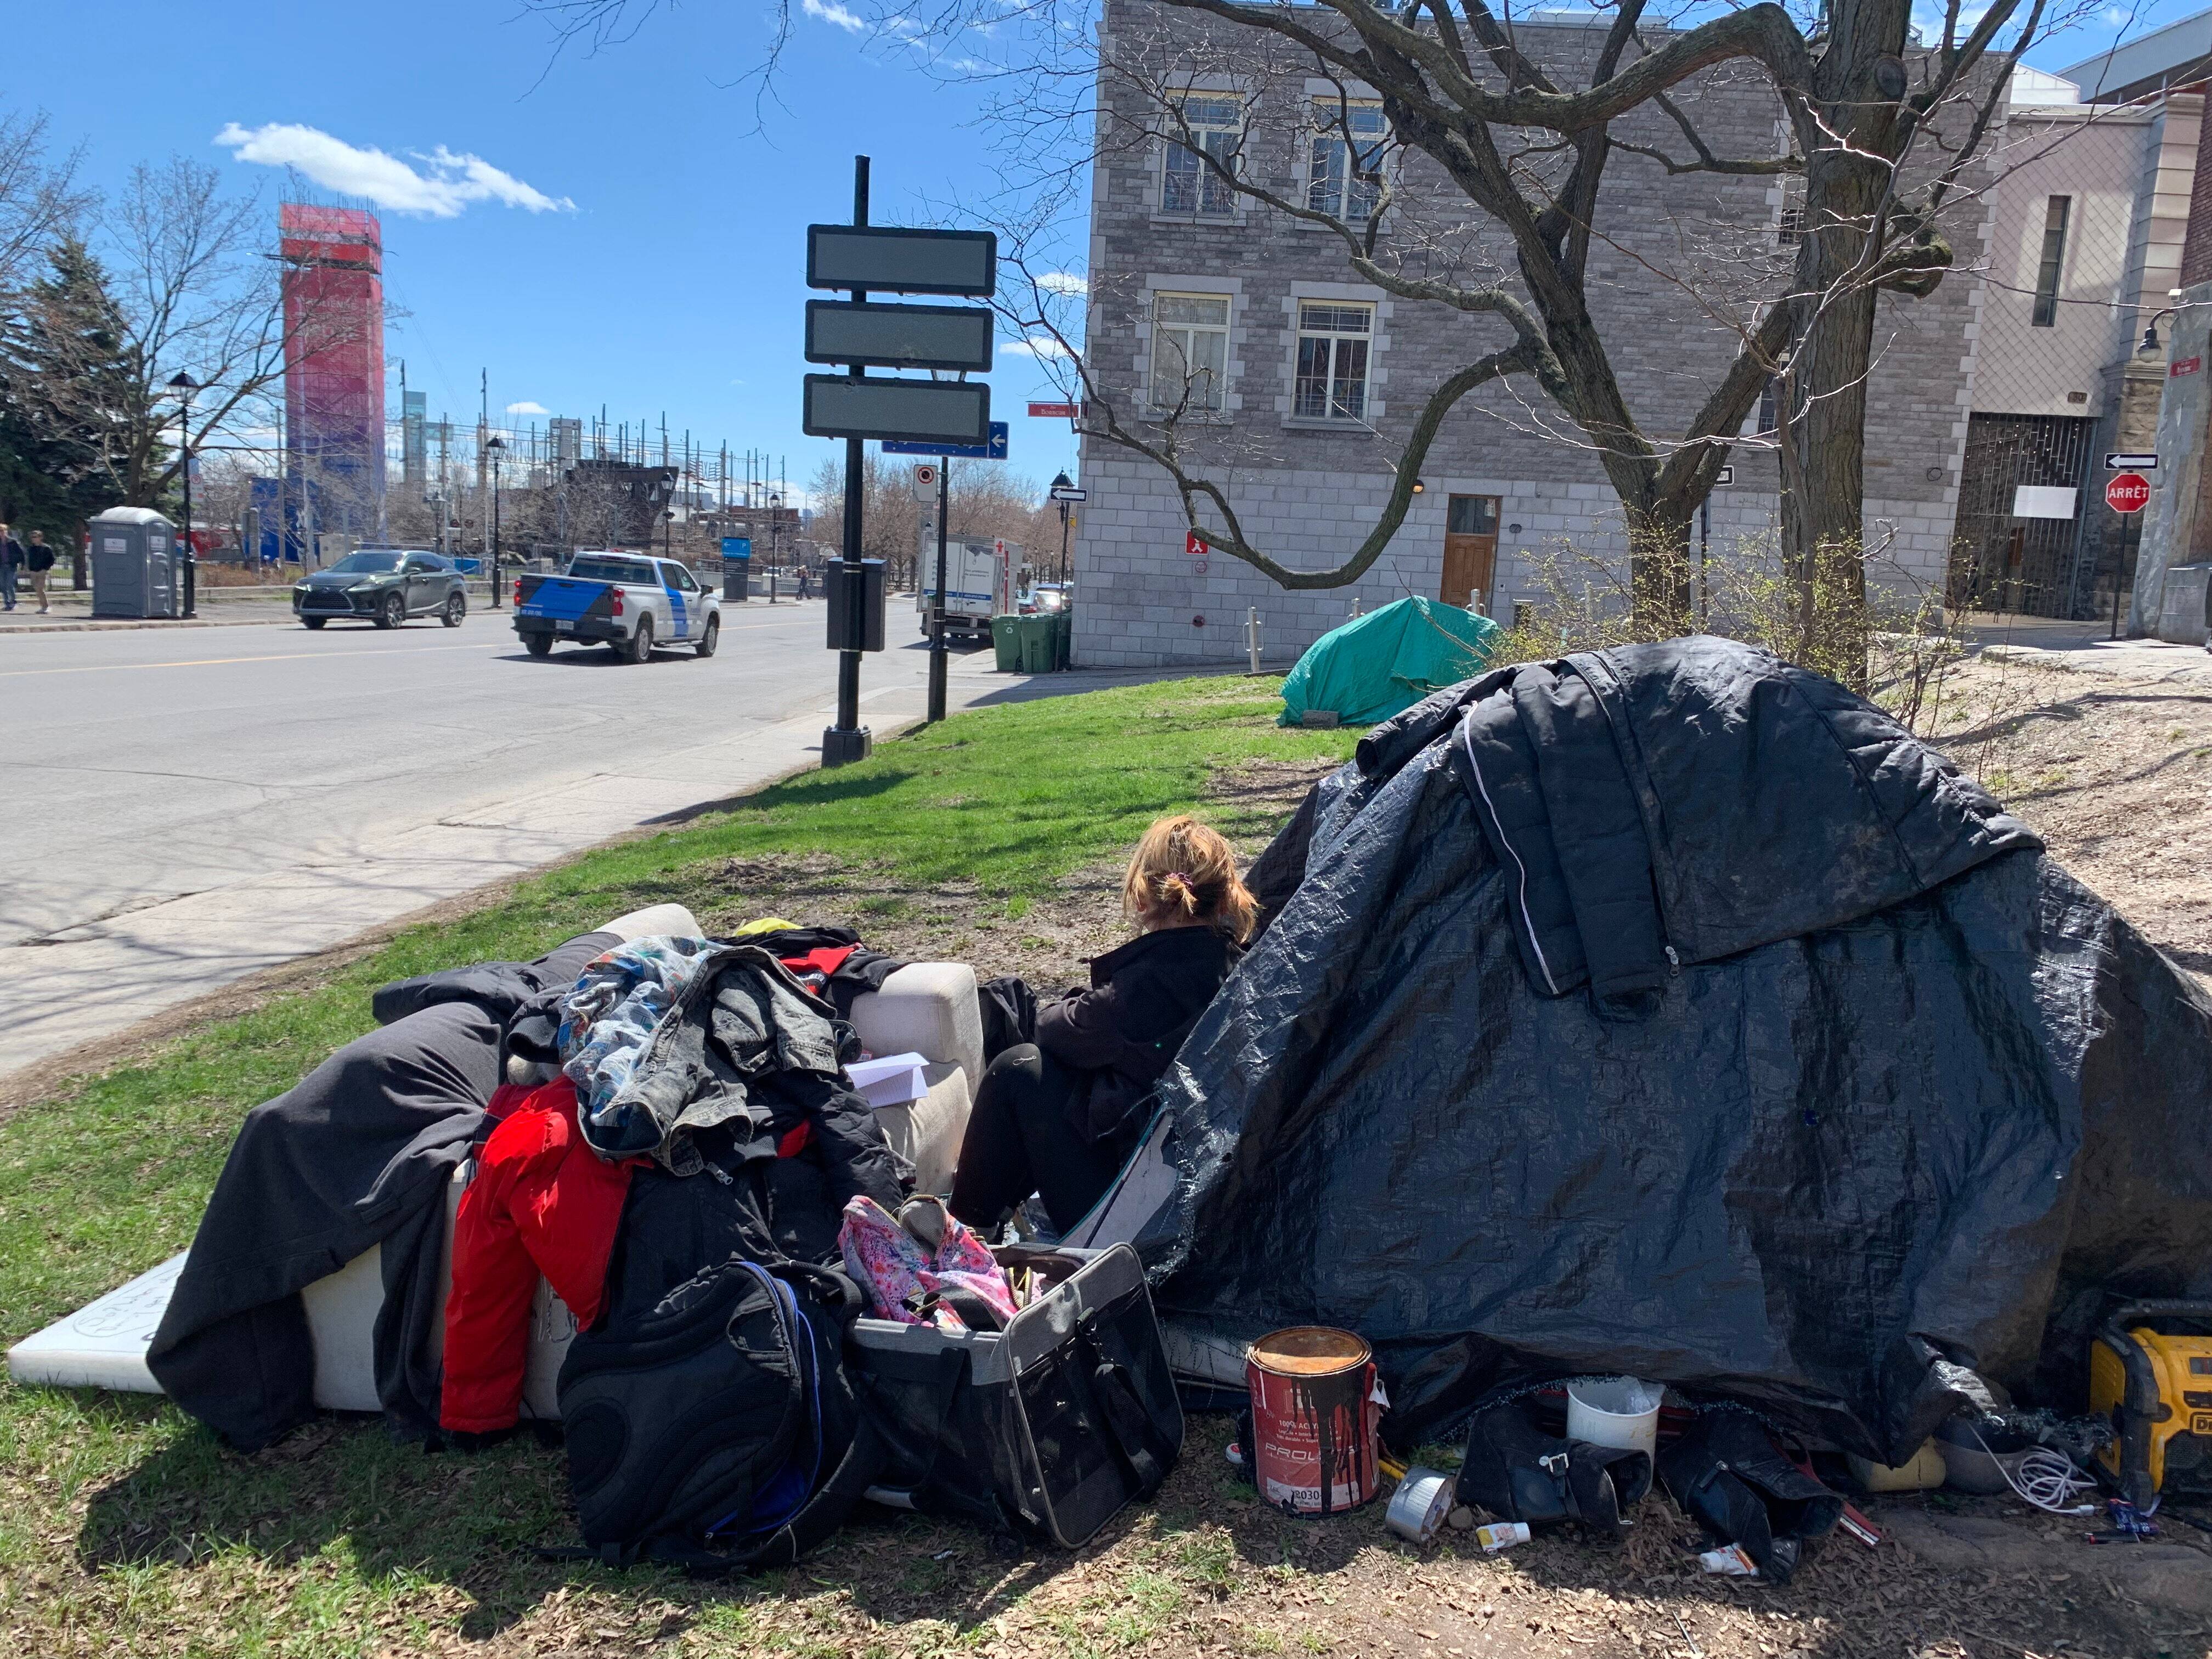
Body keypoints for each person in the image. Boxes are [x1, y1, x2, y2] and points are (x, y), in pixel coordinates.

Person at [948, 814, 1257, 1235]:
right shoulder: (1242, 970)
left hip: (1138, 1217)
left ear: (1145, 897)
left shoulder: (1138, 991)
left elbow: (1051, 1029)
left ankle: (961, 1230)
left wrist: (1085, 998)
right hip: (1211, 1201)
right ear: (1226, 898)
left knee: (1018, 1070)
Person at [24, 529, 54, 613]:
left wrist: (45, 569)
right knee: (37, 590)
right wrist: (29, 569)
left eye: (35, 537)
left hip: (43, 571)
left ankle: (47, 606)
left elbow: (51, 560)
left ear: (40, 538)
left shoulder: (46, 548)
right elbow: (30, 560)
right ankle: (43, 606)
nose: (33, 539)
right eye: (32, 537)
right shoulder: (31, 549)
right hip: (34, 571)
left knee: (40, 589)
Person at [0, 523, 21, 611]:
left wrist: (21, 564)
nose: (1, 533)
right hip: (1, 566)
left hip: (11, 566)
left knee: (9, 584)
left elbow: (20, 554)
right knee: (2, 585)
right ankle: (7, 603)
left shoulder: (13, 542)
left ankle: (14, 601)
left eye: (2, 530)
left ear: (6, 531)